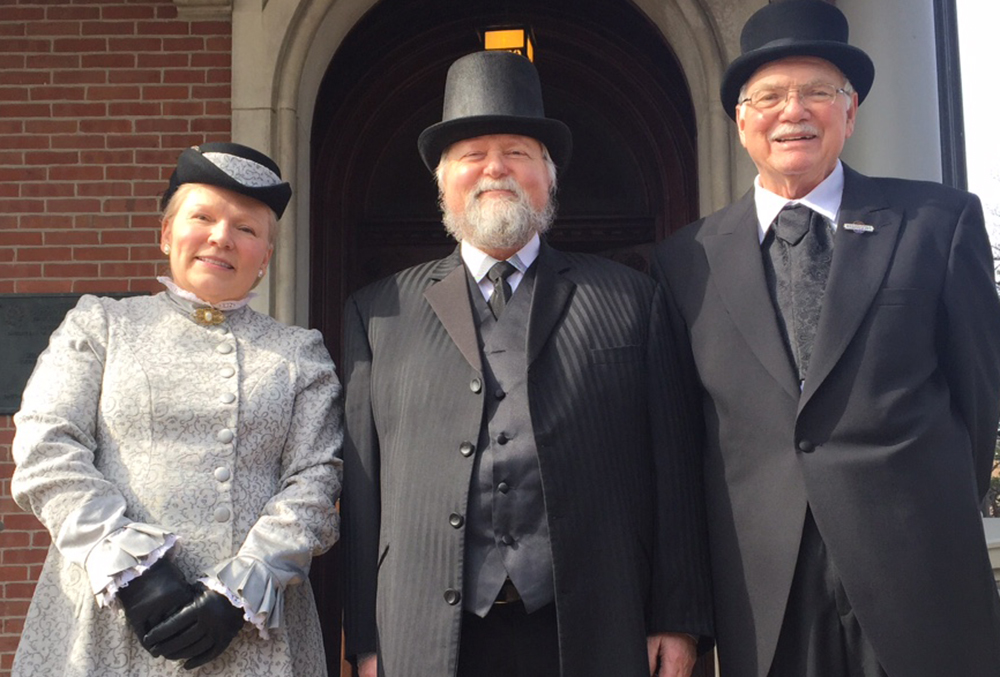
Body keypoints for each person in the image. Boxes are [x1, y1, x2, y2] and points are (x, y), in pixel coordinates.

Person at [651, 2, 1000, 676]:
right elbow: (682, 437)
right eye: (772, 96)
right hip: (762, 588)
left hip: (919, 571)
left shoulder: (937, 222)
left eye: (819, 92)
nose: (795, 111)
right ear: (740, 119)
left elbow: (978, 398)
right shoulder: (685, 259)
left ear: (851, 111)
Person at [341, 50, 712, 677]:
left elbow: (672, 468)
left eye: (516, 151)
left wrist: (677, 616)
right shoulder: (377, 312)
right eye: (471, 155)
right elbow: (363, 486)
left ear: (549, 174)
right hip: (428, 631)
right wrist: (366, 639)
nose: (495, 169)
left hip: (593, 622)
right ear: (441, 180)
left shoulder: (633, 298)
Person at [11, 142, 343, 677]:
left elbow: (317, 480)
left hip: (253, 627)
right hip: (108, 618)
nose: (221, 238)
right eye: (203, 217)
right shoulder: (100, 325)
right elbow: (46, 446)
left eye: (247, 229)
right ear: (167, 234)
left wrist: (241, 592)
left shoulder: (300, 353)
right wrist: (135, 574)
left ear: (265, 258)